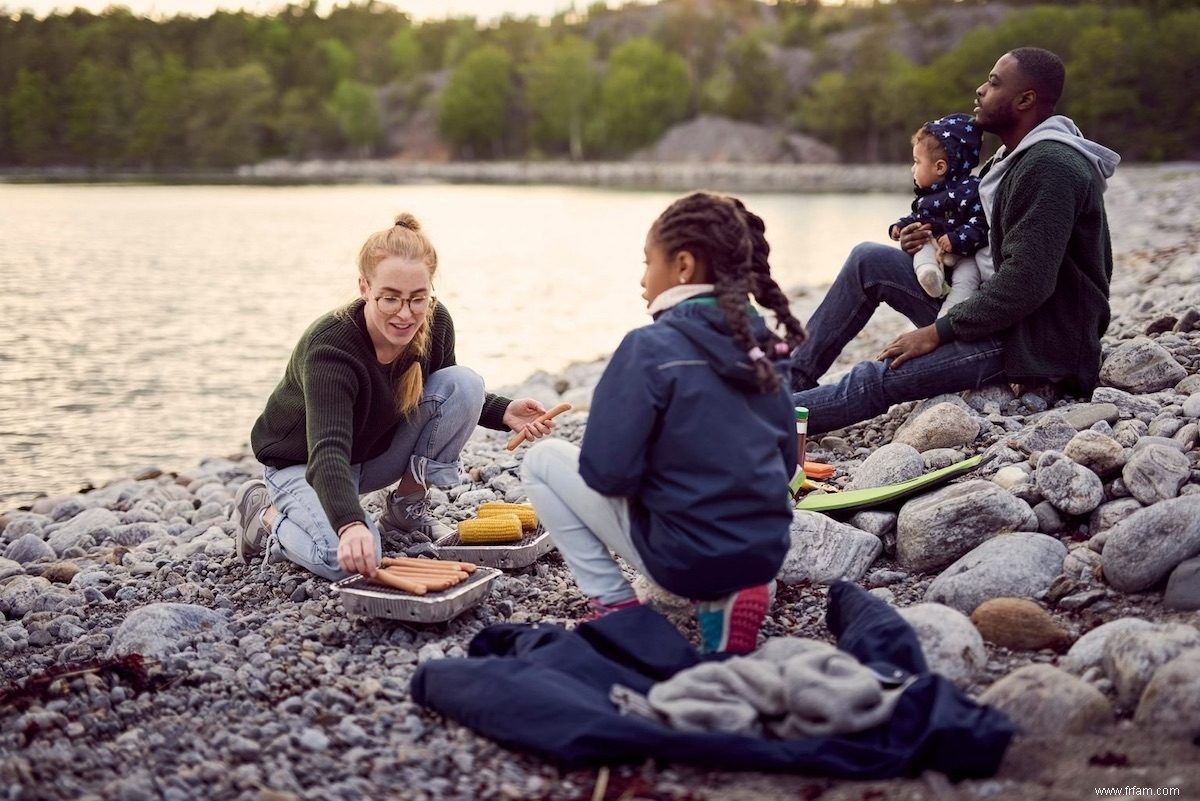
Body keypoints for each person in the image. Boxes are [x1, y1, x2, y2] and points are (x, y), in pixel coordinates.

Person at [520, 192, 807, 655]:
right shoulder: (764, 348)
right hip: (763, 550)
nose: (641, 279)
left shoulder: (648, 348)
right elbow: (786, 462)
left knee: (540, 460)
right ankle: (732, 596)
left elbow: (605, 474)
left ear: (683, 266)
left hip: (684, 560)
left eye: (647, 261)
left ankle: (616, 605)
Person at [791, 47, 1120, 434]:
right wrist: (929, 243)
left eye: (994, 82)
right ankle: (787, 384)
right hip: (997, 312)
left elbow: (1027, 282)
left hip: (1033, 341)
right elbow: (985, 244)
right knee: (868, 260)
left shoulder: (1050, 167)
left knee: (878, 375)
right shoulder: (1010, 160)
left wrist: (935, 334)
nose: (980, 90)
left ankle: (751, 420)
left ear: (1025, 99)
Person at [231, 214, 552, 581]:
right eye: (390, 299)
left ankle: (404, 510)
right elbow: (328, 451)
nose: (405, 314)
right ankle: (265, 517)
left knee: (465, 383)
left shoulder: (434, 320)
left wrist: (503, 411)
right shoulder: (332, 349)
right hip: (305, 465)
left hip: (371, 455)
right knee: (346, 561)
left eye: (418, 298)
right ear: (365, 287)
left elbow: (443, 389)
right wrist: (350, 524)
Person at [890, 112, 987, 315]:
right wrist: (899, 226)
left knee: (969, 277)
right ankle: (929, 275)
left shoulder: (971, 190)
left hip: (964, 254)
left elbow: (981, 223)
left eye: (917, 162)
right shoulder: (927, 196)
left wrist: (956, 239)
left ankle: (950, 312)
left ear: (940, 167)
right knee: (922, 246)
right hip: (935, 248)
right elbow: (916, 218)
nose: (912, 169)